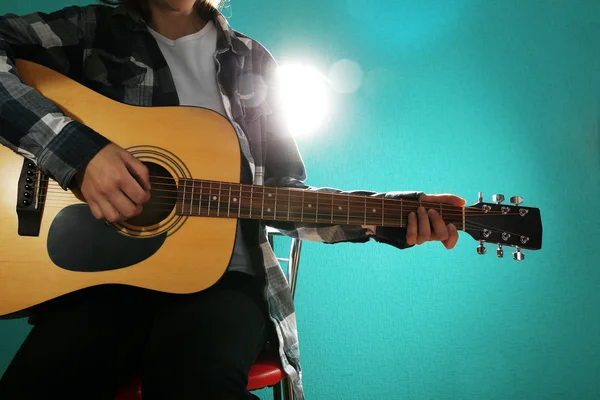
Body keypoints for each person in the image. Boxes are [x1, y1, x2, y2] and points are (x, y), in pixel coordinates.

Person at [0, 1, 465, 399]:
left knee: (195, 382)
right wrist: (79, 155)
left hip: (223, 283)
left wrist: (391, 217)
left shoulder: (253, 62)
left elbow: (284, 194)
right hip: (107, 283)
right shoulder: (90, 32)